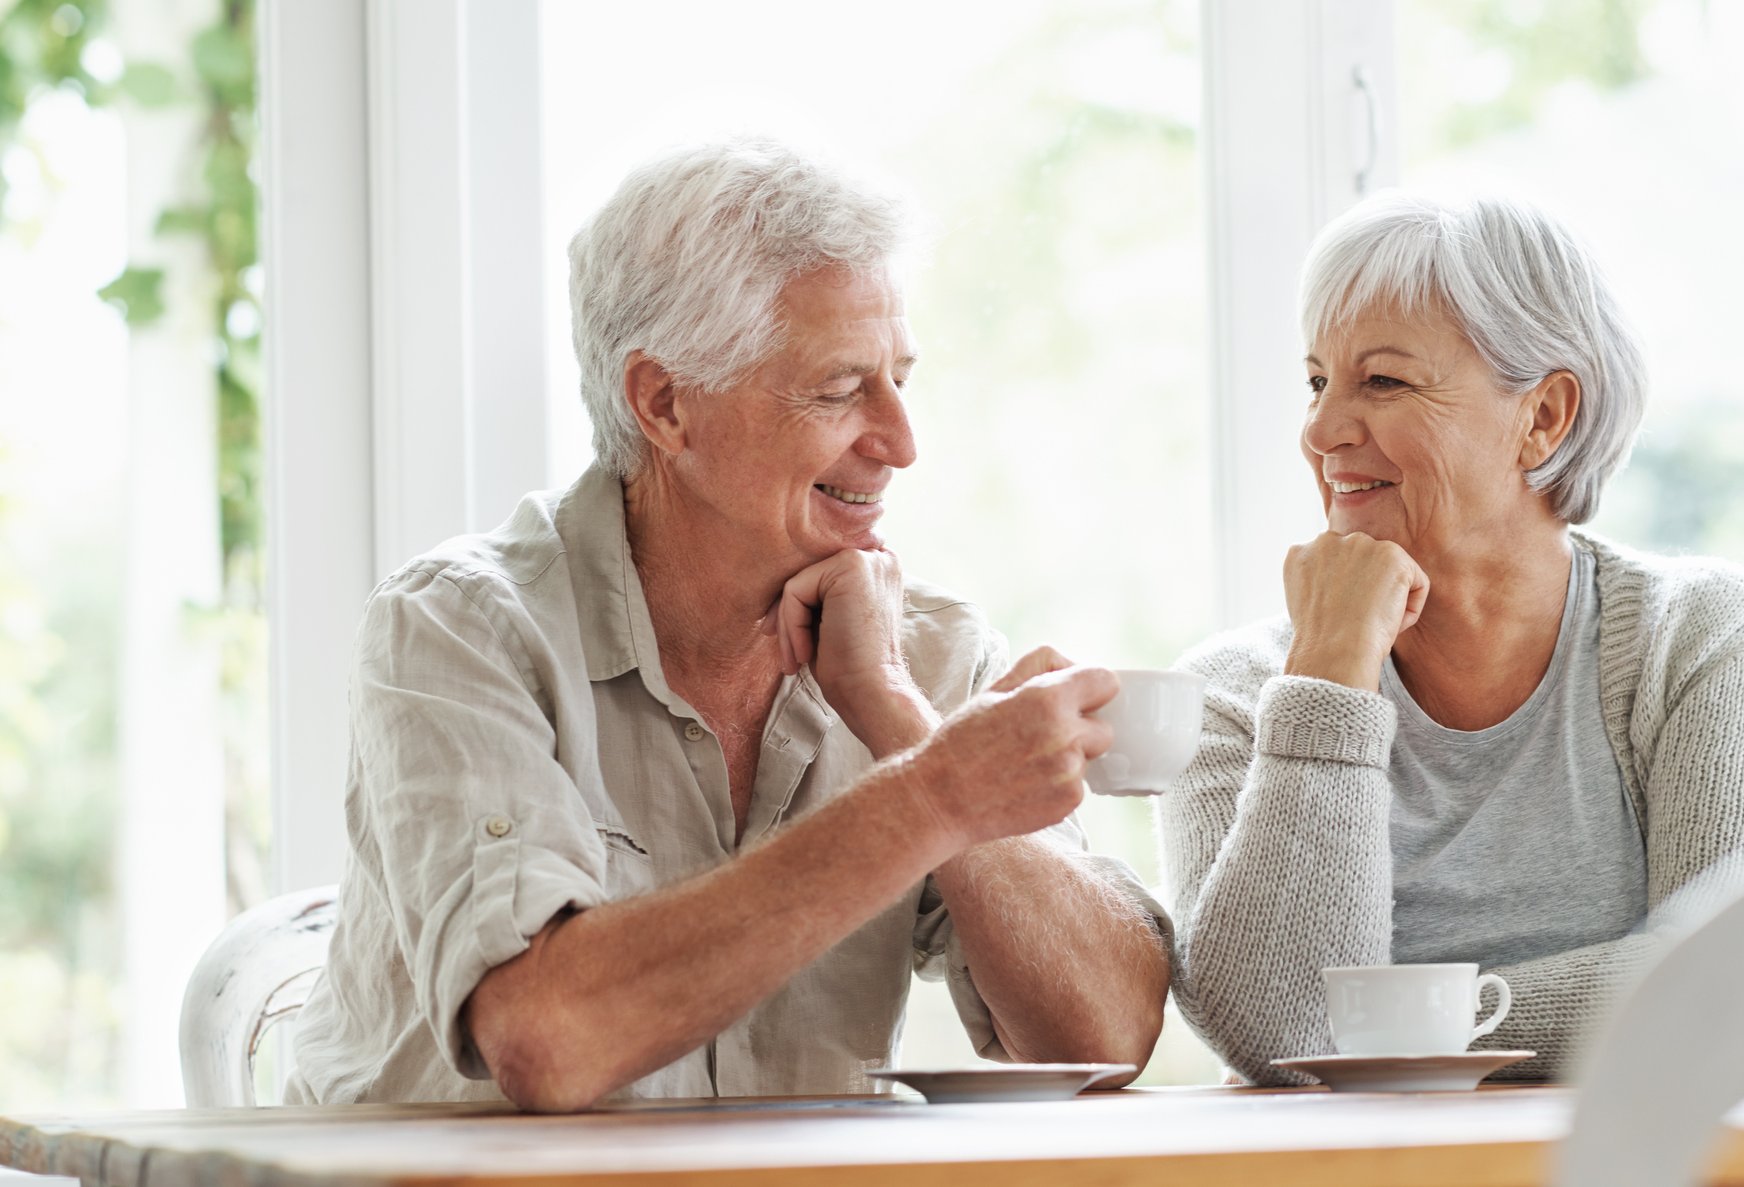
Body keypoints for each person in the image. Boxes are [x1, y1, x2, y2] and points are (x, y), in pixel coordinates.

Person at [289, 138, 1172, 1111]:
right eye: (839, 389)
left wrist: (896, 716)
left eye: (899, 379)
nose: (900, 443)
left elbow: (1106, 1036)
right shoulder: (457, 628)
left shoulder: (923, 653)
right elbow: (549, 1038)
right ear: (663, 404)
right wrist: (934, 793)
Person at [1158, 192, 1744, 1083]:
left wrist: (1405, 1024)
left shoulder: (1696, 635)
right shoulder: (1234, 692)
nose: (1319, 431)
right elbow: (1275, 1029)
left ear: (1543, 417)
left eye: (1382, 381)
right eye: (1318, 381)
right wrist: (1327, 680)